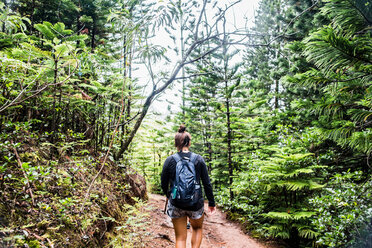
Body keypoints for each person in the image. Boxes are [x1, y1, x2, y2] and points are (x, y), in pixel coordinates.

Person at [161, 125, 216, 248]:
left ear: (176, 143)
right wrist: (211, 202)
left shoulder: (170, 160)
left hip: (176, 203)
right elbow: (207, 183)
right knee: (197, 229)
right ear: (189, 143)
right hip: (195, 203)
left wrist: (169, 195)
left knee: (180, 238)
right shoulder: (198, 159)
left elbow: (163, 183)